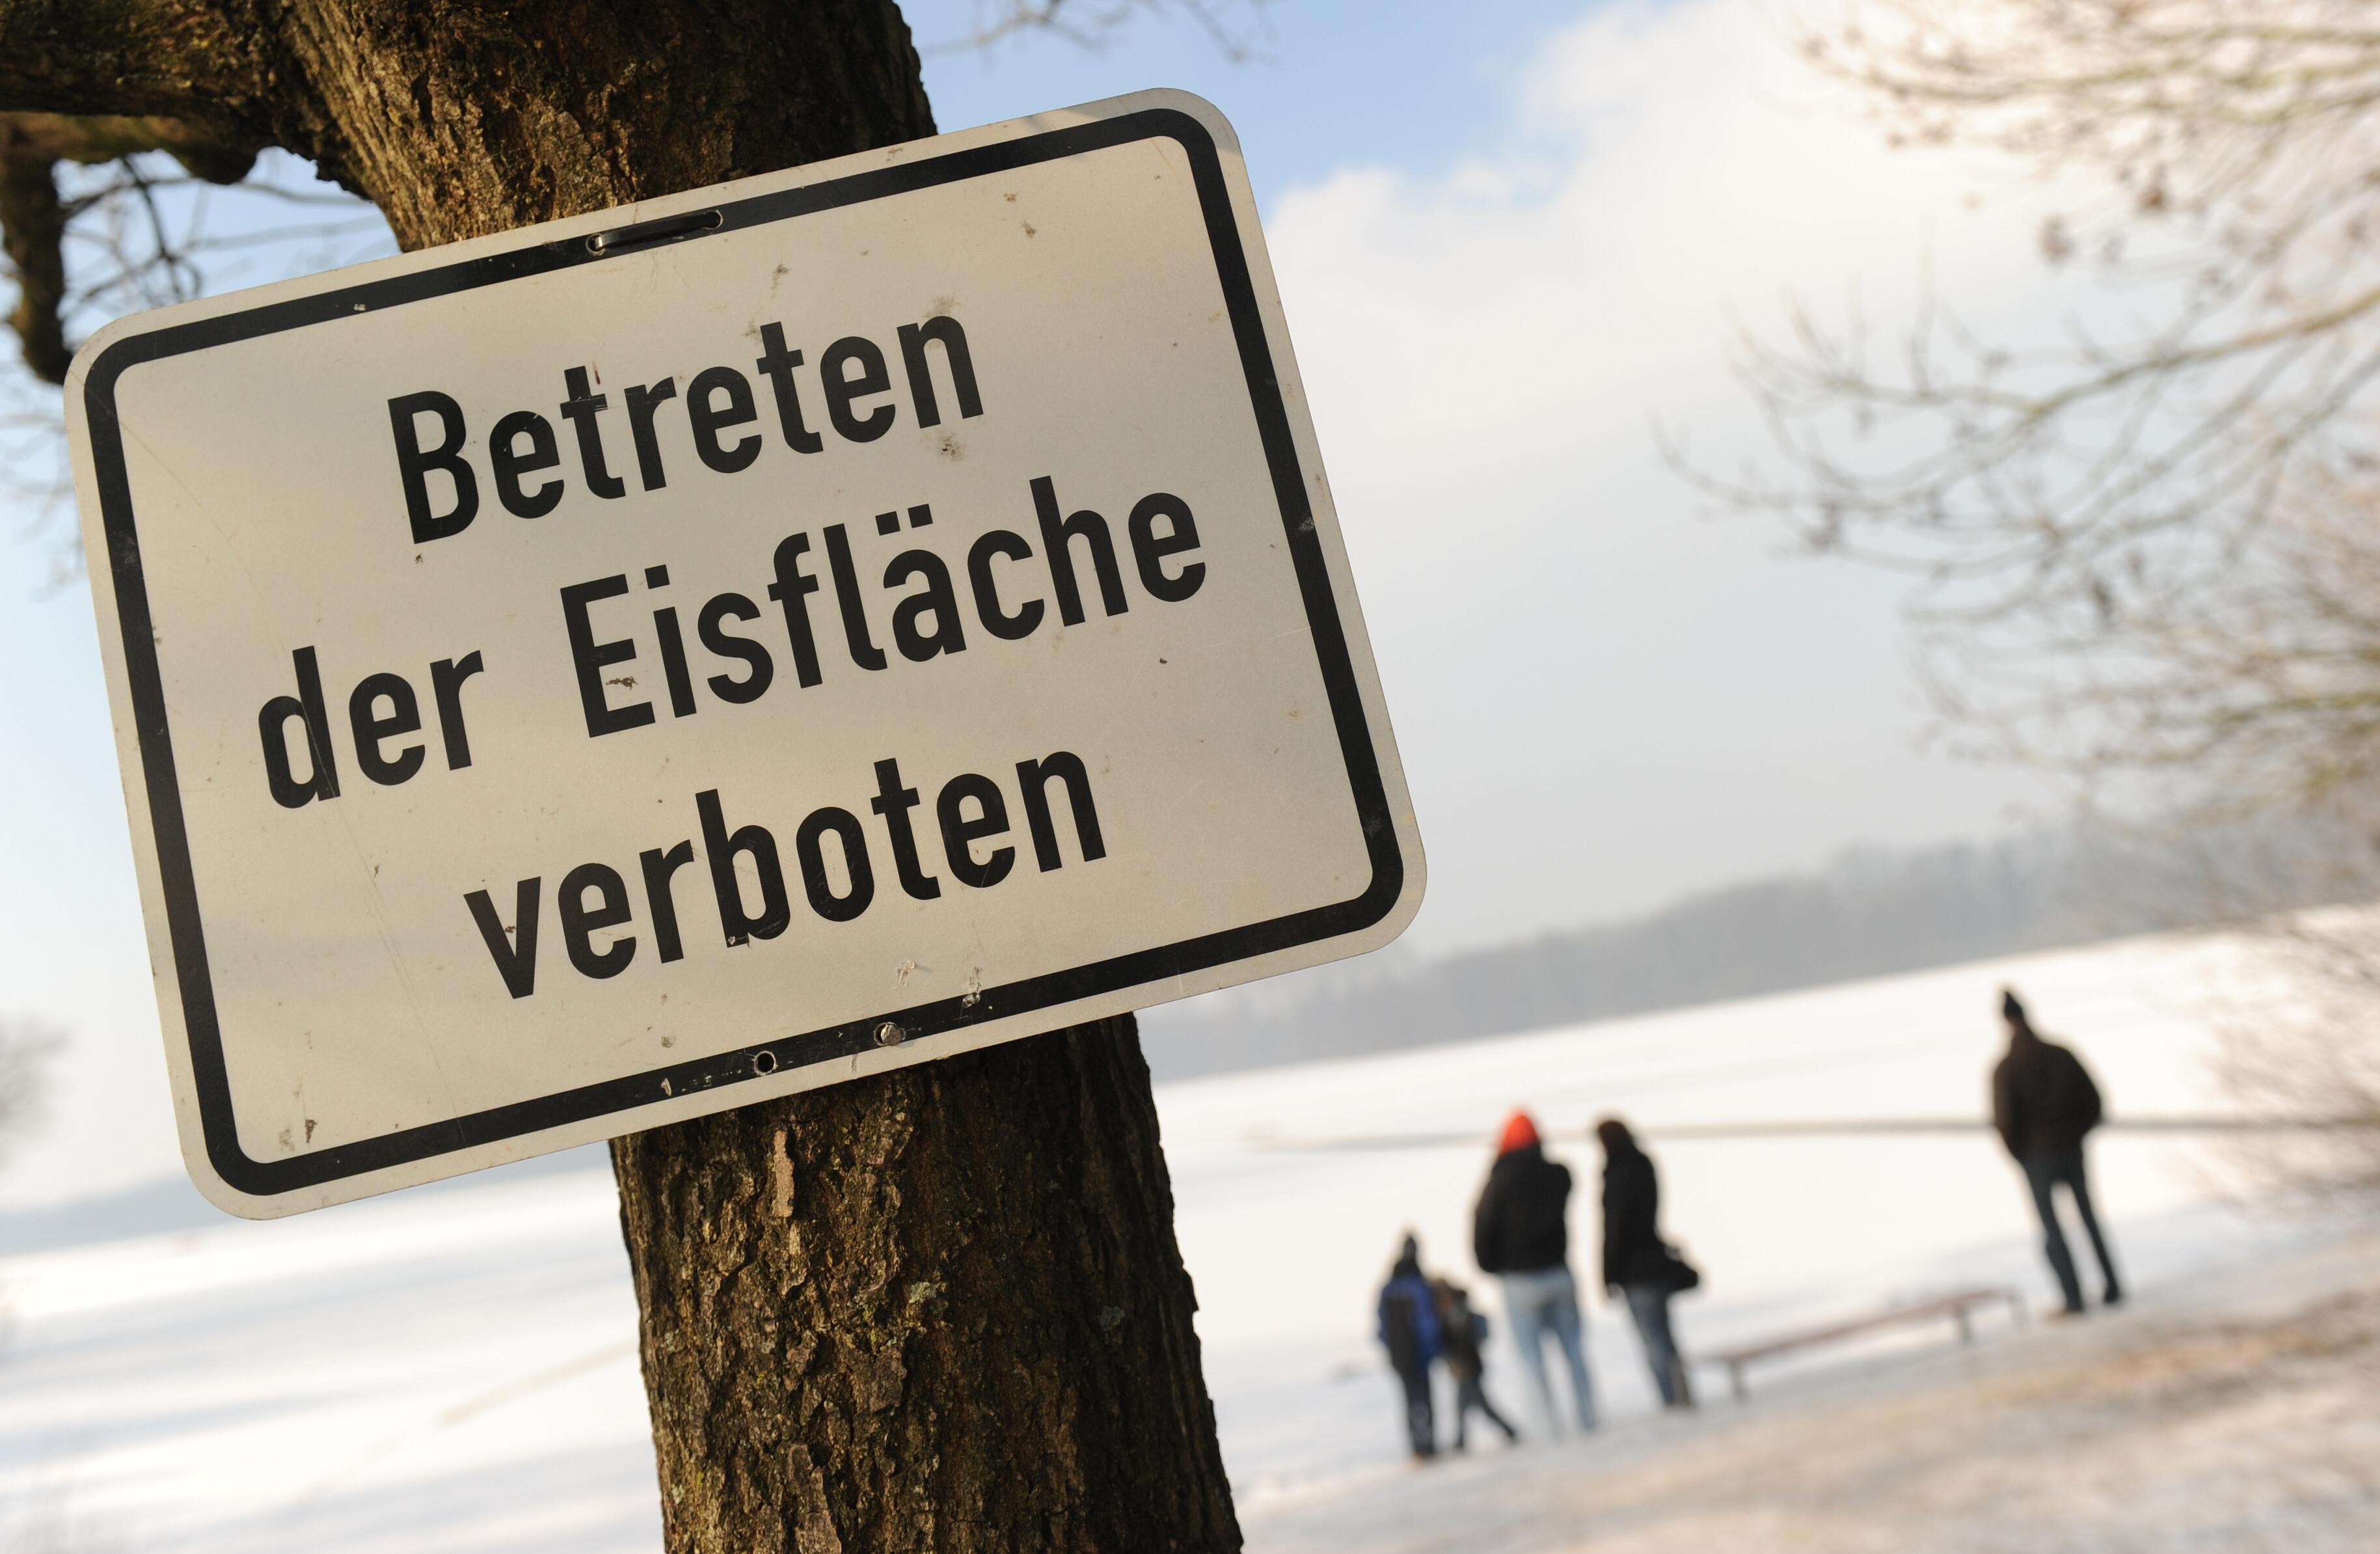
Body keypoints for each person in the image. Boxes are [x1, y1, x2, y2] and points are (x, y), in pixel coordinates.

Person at [1992, 988, 2124, 1315]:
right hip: (2070, 1150)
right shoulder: (2060, 1054)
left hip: (2038, 1159)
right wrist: (2076, 1135)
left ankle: (2073, 1298)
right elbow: (2094, 1102)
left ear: (2006, 1021)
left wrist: (2022, 1155)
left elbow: (2005, 1121)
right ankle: (2113, 1286)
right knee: (2090, 1221)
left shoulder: (2007, 1068)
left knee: (2053, 1230)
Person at [1472, 1110, 1597, 1434]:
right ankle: (1588, 1420)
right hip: (1559, 1273)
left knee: (1531, 1360)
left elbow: (1483, 1230)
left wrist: (1493, 1266)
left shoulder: (1498, 1183)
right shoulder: (1557, 1175)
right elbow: (1565, 1179)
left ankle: (1548, 1428)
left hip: (1520, 1282)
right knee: (1574, 1353)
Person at [1597, 1117, 1696, 1410]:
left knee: (1654, 1341)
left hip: (1635, 1271)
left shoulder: (1616, 1174)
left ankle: (1672, 1400)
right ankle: (1682, 1395)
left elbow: (1615, 1228)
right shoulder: (1643, 1165)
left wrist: (1608, 1273)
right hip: (1654, 1262)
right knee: (1666, 1337)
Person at [1376, 1233, 1443, 1461]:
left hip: (1400, 1356)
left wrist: (1391, 1351)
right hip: (1419, 1355)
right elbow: (1427, 1324)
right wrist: (1434, 1349)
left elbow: (1381, 1326)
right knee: (1424, 1400)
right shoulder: (1418, 1284)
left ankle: (1417, 1447)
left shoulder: (1389, 1287)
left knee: (1410, 1402)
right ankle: (1428, 1445)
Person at [1434, 1277, 1520, 1449]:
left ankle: (1464, 1439)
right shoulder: (1453, 1313)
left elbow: (1463, 1342)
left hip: (1468, 1367)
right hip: (1464, 1367)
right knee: (1473, 1405)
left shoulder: (1457, 1314)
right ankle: (1505, 1431)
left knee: (1473, 1405)